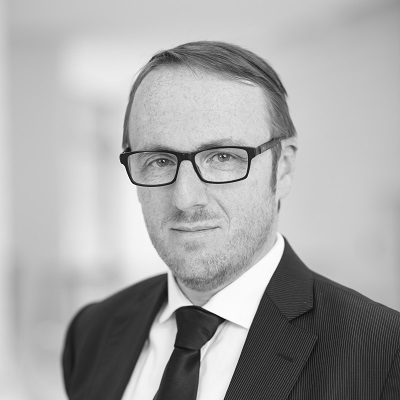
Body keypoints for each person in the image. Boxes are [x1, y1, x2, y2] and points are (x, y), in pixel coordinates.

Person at [62, 41, 400, 400]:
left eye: (223, 157)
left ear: (283, 167)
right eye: (159, 161)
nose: (186, 198)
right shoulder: (92, 333)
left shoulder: (383, 355)